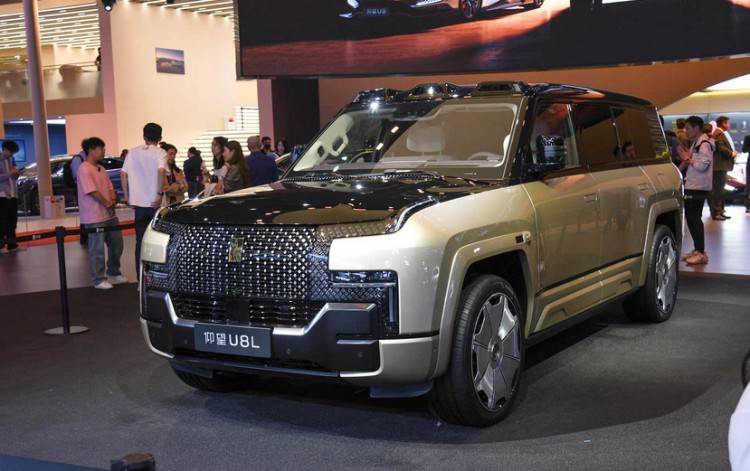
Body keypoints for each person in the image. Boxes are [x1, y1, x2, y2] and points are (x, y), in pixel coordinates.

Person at [77, 137, 126, 290]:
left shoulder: (101, 168)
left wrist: (112, 200)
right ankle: (98, 279)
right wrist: (107, 203)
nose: (104, 151)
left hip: (109, 214)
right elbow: (92, 191)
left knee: (117, 244)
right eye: (101, 149)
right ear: (91, 150)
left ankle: (114, 272)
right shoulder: (84, 169)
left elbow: (110, 186)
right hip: (94, 216)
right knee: (97, 249)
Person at [121, 122, 167, 274]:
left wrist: (127, 196)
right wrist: (159, 194)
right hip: (155, 205)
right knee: (157, 241)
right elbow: (161, 171)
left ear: (144, 136)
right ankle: (154, 276)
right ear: (160, 138)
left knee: (139, 241)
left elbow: (123, 173)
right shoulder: (160, 152)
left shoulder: (132, 152)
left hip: (139, 205)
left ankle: (139, 277)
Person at [678, 116, 714, 266]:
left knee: (694, 219)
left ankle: (700, 252)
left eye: (688, 128)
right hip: (693, 185)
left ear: (696, 128)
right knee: (692, 218)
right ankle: (698, 250)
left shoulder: (704, 145)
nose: (685, 131)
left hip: (698, 187)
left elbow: (702, 166)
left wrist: (687, 159)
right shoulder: (697, 143)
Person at [711, 116, 738, 221]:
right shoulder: (718, 133)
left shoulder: (720, 133)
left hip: (721, 166)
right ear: (723, 123)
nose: (729, 125)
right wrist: (731, 153)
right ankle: (717, 212)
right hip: (719, 166)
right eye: (728, 123)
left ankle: (720, 211)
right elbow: (720, 147)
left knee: (720, 190)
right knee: (718, 190)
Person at [0, 140, 21, 253]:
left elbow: (14, 177)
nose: (12, 154)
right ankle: (1, 246)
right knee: (2, 221)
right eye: (11, 152)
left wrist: (16, 174)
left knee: (12, 221)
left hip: (13, 194)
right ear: (5, 149)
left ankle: (12, 245)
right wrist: (9, 174)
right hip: (2, 195)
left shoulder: (11, 160)